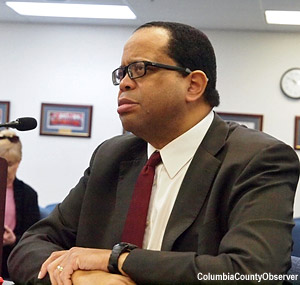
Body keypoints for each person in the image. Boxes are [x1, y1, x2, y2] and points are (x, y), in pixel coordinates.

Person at [8, 21, 300, 284]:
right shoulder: (112, 156)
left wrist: (117, 260)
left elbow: (256, 272)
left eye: (140, 69)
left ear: (194, 85)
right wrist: (85, 279)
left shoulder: (259, 158)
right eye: (121, 73)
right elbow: (31, 245)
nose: (124, 82)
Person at [0, 129, 40, 279]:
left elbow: (34, 236)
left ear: (19, 162)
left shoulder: (28, 195)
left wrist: (14, 239)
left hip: (11, 262)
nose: (6, 170)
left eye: (10, 164)